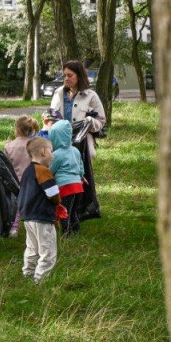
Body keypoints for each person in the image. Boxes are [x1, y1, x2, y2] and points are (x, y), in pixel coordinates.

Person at [48, 60, 106, 225]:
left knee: (80, 178)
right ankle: (59, 214)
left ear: (79, 76)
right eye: (64, 75)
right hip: (59, 144)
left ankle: (78, 213)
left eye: (70, 75)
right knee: (60, 177)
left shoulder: (91, 96)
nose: (66, 79)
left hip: (81, 146)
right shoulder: (58, 93)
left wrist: (88, 123)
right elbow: (51, 115)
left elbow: (101, 121)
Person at [19, 137, 62, 284]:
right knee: (47, 251)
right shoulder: (43, 171)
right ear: (44, 152)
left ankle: (27, 274)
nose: (53, 154)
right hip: (42, 216)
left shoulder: (27, 171)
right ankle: (40, 281)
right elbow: (53, 194)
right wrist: (58, 202)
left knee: (32, 248)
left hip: (28, 216)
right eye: (51, 151)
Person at [3, 115, 39, 237]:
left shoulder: (9, 146)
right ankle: (33, 227)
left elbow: (5, 165)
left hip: (14, 180)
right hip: (31, 180)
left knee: (15, 205)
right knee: (32, 204)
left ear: (17, 129)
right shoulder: (34, 145)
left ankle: (13, 228)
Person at [48, 120, 86, 235]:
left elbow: (51, 170)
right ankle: (76, 231)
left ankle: (66, 233)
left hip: (66, 187)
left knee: (63, 211)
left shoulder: (57, 154)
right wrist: (81, 176)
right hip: (78, 186)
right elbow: (80, 166)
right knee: (73, 211)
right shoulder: (75, 150)